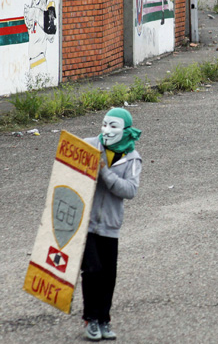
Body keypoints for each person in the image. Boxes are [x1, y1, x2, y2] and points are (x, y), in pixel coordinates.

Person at [81, 108, 142, 341]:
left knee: (108, 275)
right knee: (92, 270)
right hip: (85, 224)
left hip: (110, 226)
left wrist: (104, 172)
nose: (106, 130)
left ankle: (104, 320)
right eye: (104, 124)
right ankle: (91, 319)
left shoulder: (132, 158)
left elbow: (130, 190)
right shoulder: (88, 146)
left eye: (113, 126)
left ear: (125, 130)